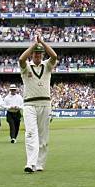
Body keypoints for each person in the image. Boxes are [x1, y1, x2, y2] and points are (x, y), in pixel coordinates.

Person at [19, 33, 58, 173]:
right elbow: (21, 59)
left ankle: (40, 163)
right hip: (29, 104)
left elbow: (54, 56)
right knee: (30, 133)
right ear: (32, 54)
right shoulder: (26, 67)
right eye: (35, 53)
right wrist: (33, 45)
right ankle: (30, 163)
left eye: (39, 53)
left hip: (45, 104)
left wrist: (42, 42)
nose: (37, 56)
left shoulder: (47, 66)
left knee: (43, 136)